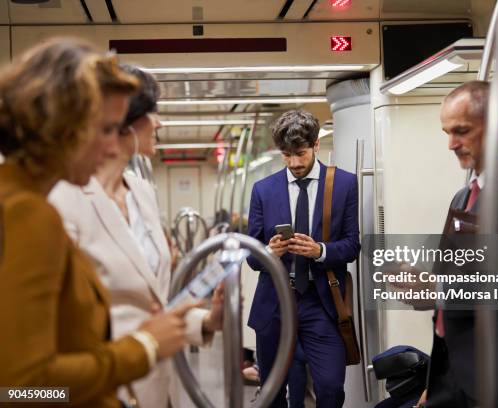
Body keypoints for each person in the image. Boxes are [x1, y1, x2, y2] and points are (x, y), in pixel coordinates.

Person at [0, 38, 199, 407]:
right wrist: (144, 347)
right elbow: (21, 388)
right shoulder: (29, 214)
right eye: (105, 129)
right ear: (62, 126)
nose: (112, 148)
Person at [48, 64, 223, 408]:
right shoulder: (62, 199)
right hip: (101, 389)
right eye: (152, 112)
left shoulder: (142, 191)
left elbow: (150, 301)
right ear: (122, 121)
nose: (159, 122)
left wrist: (205, 320)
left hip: (158, 385)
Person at [407, 80, 498, 407]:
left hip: (497, 370)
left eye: (461, 131)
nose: (450, 144)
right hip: (455, 369)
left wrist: (440, 289)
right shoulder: (464, 196)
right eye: (446, 132)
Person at [246, 109, 360, 407]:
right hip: (276, 301)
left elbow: (352, 245)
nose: (294, 163)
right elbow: (252, 256)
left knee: (331, 387)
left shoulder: (345, 185)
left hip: (320, 303)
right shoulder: (263, 190)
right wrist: (268, 252)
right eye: (286, 155)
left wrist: (320, 251)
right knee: (272, 392)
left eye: (300, 153)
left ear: (316, 145)